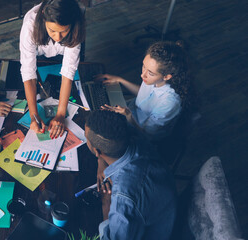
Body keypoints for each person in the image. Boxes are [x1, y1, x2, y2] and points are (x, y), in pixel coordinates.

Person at [84, 110, 177, 240]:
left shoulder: (124, 199)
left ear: (97, 151)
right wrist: (101, 160)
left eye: (86, 138)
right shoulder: (135, 138)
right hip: (164, 204)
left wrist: (106, 203)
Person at [96, 41, 192, 140]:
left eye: (150, 73)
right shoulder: (153, 79)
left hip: (139, 131)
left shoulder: (170, 103)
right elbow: (144, 95)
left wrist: (129, 117)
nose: (143, 75)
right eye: (143, 66)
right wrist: (120, 80)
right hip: (131, 110)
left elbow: (146, 134)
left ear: (166, 76)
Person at [20, 0, 85, 138]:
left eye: (63, 31)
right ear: (43, 16)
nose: (57, 37)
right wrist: (34, 116)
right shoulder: (30, 26)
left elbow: (68, 72)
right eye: (52, 30)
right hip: (38, 57)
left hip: (62, 56)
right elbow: (28, 72)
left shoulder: (75, 24)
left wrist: (61, 114)